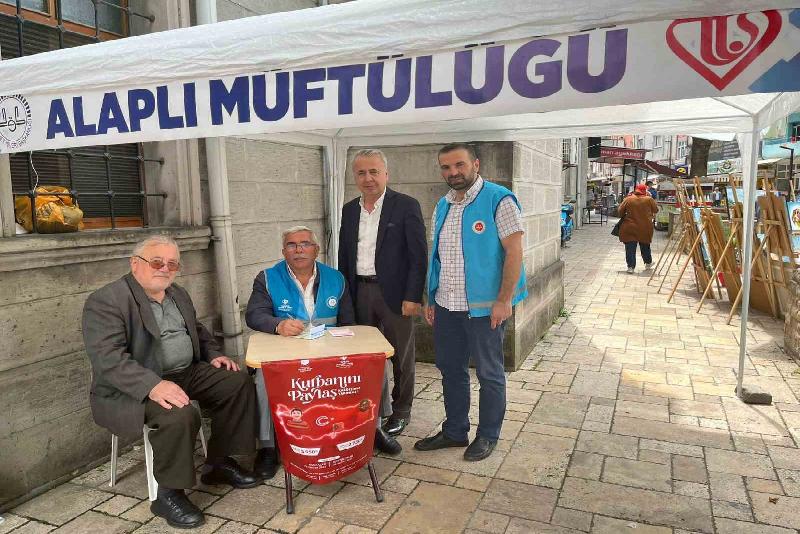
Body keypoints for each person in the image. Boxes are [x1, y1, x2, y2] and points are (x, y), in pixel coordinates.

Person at [82, 236, 260, 529]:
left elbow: (198, 331)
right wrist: (153, 385)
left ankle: (218, 463)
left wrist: (214, 354)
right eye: (156, 262)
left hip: (184, 372)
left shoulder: (176, 293)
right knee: (180, 412)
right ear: (134, 264)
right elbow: (108, 358)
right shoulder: (107, 301)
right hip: (133, 387)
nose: (165, 268)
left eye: (172, 264)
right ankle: (168, 494)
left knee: (237, 381)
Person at [245, 226, 402, 459]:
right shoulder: (267, 278)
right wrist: (278, 325)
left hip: (330, 351)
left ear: (316, 250)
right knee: (261, 377)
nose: (299, 250)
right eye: (291, 245)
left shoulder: (336, 278)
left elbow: (348, 322)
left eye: (305, 244)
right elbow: (254, 314)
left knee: (374, 361)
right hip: (287, 351)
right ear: (283, 251)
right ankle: (268, 447)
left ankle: (374, 427)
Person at [414, 143, 526, 462]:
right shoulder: (443, 205)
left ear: (475, 164)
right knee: (451, 369)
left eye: (459, 165)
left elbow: (514, 253)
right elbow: (437, 257)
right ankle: (454, 431)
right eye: (446, 168)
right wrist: (431, 297)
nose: (453, 173)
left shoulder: (498, 199)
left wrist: (504, 300)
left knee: (489, 373)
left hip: (484, 308)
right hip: (447, 305)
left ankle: (488, 435)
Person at [338, 148, 427, 437]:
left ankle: (401, 411)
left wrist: (413, 297)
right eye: (361, 172)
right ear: (354, 177)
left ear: (386, 174)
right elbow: (343, 255)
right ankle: (370, 409)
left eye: (374, 171)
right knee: (365, 356)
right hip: (359, 291)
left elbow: (418, 256)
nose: (368, 178)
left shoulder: (406, 205)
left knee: (401, 355)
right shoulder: (349, 210)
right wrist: (345, 296)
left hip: (396, 296)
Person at [618, 183, 659, 274]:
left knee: (630, 247)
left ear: (636, 190)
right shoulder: (649, 199)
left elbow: (620, 212)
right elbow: (656, 210)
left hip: (630, 227)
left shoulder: (628, 199)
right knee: (645, 246)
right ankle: (648, 263)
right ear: (645, 190)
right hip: (645, 227)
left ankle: (631, 267)